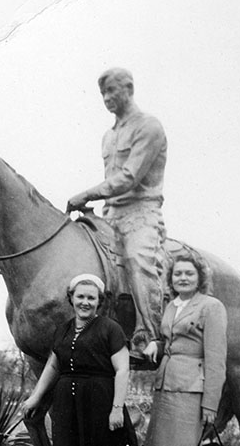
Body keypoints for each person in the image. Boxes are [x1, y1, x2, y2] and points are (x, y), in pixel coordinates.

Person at [23, 273, 143, 446]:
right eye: (80, 297)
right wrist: (36, 396)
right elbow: (54, 364)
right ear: (71, 299)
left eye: (91, 298)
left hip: (99, 403)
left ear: (99, 302)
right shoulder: (64, 329)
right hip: (67, 404)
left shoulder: (110, 329)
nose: (85, 302)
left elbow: (122, 370)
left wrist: (116, 408)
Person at [66, 67, 167, 361]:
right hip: (111, 214)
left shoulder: (149, 126)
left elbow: (128, 177)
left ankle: (150, 335)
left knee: (138, 260)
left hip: (141, 213)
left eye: (112, 91)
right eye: (103, 94)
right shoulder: (108, 136)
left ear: (129, 88)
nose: (107, 98)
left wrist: (87, 193)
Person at [142, 250, 227, 446]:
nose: (182, 278)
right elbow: (173, 342)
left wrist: (211, 405)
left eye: (189, 273)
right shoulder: (172, 306)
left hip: (192, 393)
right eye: (177, 273)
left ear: (200, 277)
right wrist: (156, 343)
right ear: (171, 278)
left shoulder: (211, 307)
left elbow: (216, 360)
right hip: (166, 389)